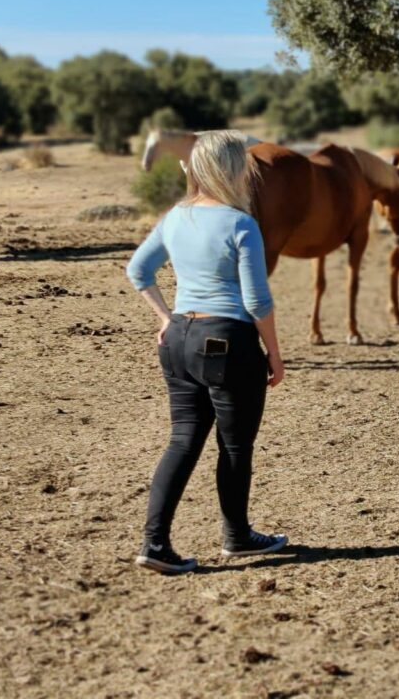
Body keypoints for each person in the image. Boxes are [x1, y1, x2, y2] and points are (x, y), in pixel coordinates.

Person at [125, 131, 287, 574]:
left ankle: (154, 543)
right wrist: (274, 352)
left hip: (178, 339)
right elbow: (256, 302)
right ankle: (236, 537)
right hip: (227, 342)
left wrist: (164, 317)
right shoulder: (240, 224)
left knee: (182, 440)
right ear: (234, 170)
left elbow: (137, 269)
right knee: (234, 446)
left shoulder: (176, 216)